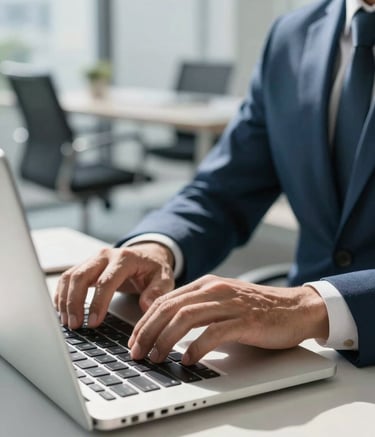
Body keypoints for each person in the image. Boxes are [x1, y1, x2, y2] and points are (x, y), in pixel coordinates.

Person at [55, 0, 375, 368]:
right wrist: (159, 247)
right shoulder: (292, 36)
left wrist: (312, 306)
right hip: (297, 358)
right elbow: (224, 189)